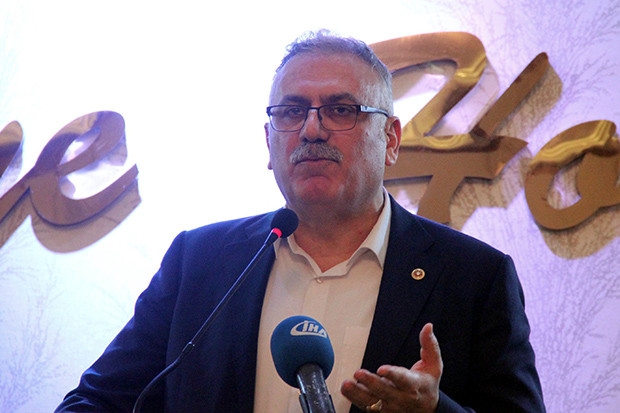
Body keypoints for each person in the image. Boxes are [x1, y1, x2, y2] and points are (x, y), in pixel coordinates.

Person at [56, 30, 545, 413]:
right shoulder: (200, 261)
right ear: (268, 143)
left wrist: (436, 411)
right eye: (291, 111)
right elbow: (95, 402)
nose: (312, 129)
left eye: (340, 109)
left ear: (392, 140)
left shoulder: (473, 278)